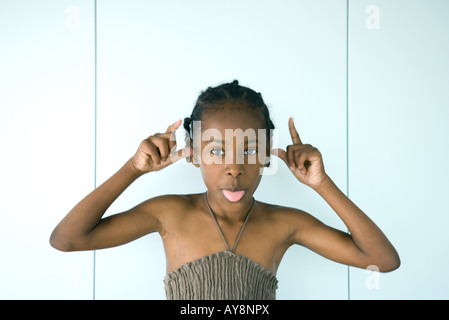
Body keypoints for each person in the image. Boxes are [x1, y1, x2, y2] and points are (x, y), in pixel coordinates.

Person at [50, 80, 400, 299]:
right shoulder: (169, 214)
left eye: (249, 149)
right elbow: (67, 239)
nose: (234, 167)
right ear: (193, 154)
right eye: (216, 150)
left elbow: (382, 261)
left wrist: (322, 184)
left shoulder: (285, 223)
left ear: (266, 155)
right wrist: (133, 169)